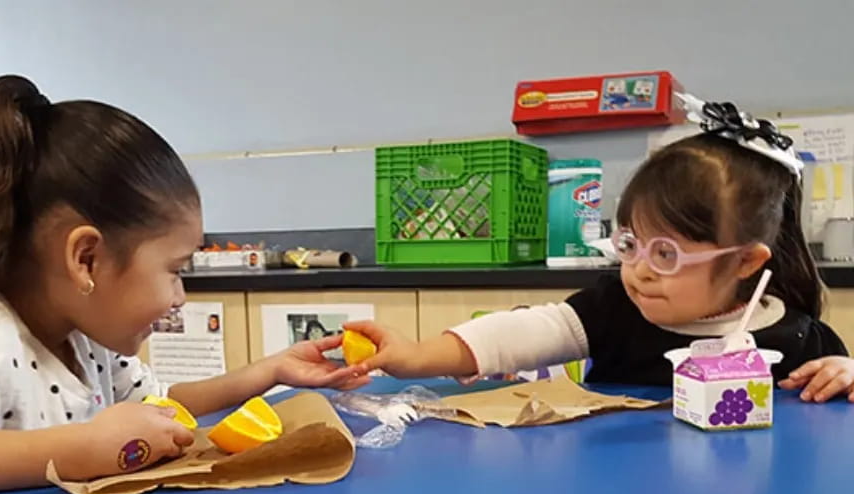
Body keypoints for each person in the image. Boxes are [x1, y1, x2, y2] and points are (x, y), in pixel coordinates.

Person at [0, 75, 366, 494]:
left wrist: (269, 371)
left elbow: (162, 406)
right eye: (174, 271)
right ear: (86, 259)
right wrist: (80, 449)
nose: (179, 297)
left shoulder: (85, 343)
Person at [345, 95, 854, 402]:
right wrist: (412, 356)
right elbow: (519, 333)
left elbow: (835, 402)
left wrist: (846, 377)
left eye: (666, 255)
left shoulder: (799, 339)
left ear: (746, 260)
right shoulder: (614, 309)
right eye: (630, 244)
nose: (639, 272)